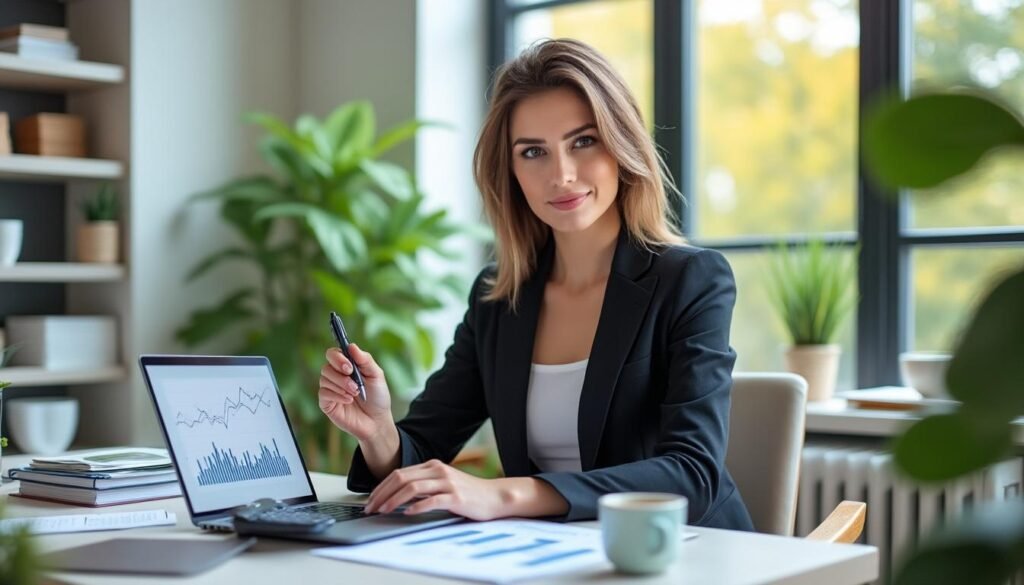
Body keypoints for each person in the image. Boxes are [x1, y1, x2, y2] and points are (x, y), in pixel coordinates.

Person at [316, 38, 754, 530]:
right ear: (512, 173)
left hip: (680, 555)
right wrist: (377, 433)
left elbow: (692, 474)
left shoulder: (691, 280)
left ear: (621, 146)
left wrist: (503, 494)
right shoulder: (498, 298)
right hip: (554, 557)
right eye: (533, 152)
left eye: (583, 141)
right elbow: (424, 448)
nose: (561, 175)